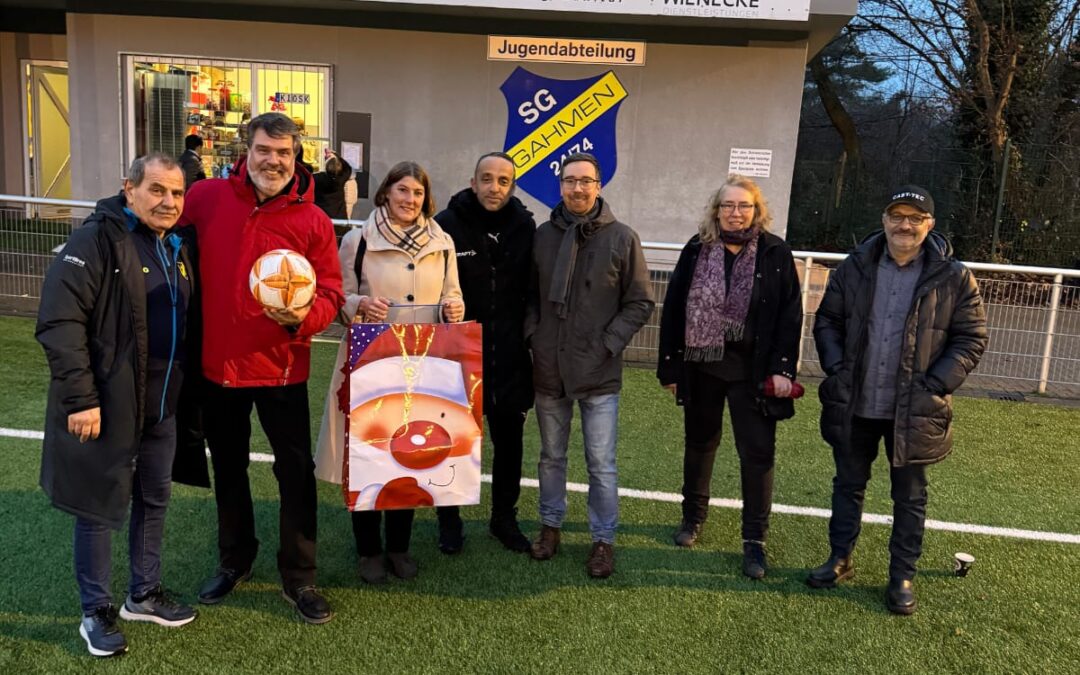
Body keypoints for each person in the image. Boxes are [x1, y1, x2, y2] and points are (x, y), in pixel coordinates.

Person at [180, 112, 344, 624]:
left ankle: (299, 577)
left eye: (284, 153)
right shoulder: (206, 197)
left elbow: (332, 293)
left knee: (295, 473)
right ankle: (235, 559)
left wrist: (303, 317)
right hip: (219, 367)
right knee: (228, 468)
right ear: (245, 152)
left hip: (282, 370)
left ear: (296, 157)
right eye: (264, 150)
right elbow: (157, 222)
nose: (273, 161)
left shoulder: (312, 219)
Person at [37, 153, 198, 657]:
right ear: (128, 188)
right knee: (101, 507)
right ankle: (96, 611)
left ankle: (144, 594)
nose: (168, 201)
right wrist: (82, 398)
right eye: (156, 190)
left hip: (161, 405)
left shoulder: (174, 243)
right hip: (109, 405)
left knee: (154, 499)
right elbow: (60, 323)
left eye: (176, 192)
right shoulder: (96, 239)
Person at [807, 185, 988, 615]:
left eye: (915, 218)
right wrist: (836, 368)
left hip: (916, 410)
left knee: (909, 496)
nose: (905, 225)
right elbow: (827, 321)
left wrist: (936, 384)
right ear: (885, 219)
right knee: (847, 486)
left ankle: (902, 575)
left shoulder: (954, 276)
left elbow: (971, 338)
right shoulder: (856, 267)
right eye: (897, 216)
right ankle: (840, 559)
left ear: (930, 224)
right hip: (856, 401)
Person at [314, 161, 464, 584]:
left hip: (423, 362)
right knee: (369, 455)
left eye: (416, 193)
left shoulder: (444, 241)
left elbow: (453, 295)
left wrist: (455, 308)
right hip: (371, 359)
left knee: (411, 455)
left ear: (425, 198)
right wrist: (357, 304)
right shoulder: (358, 239)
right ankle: (368, 551)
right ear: (385, 193)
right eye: (401, 190)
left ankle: (399, 548)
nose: (409, 200)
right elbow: (337, 295)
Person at [656, 175, 803, 579]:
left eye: (744, 206)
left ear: (757, 210)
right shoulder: (696, 248)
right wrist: (669, 366)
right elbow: (674, 308)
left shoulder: (775, 251)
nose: (735, 213)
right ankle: (692, 518)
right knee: (700, 444)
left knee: (757, 455)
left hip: (753, 374)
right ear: (715, 209)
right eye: (727, 205)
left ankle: (754, 540)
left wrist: (783, 369)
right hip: (701, 367)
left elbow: (791, 315)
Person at [525, 152, 654, 578]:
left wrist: (608, 343)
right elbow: (529, 297)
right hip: (550, 367)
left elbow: (639, 302)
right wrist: (535, 337)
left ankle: (603, 539)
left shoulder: (622, 237)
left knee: (601, 463)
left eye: (585, 181)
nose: (577, 188)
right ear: (559, 186)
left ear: (599, 186)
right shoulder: (543, 235)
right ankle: (550, 527)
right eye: (569, 181)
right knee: (551, 457)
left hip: (598, 371)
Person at [433, 152, 536, 554]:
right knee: (454, 441)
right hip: (457, 355)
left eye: (504, 181)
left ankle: (503, 519)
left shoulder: (525, 227)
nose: (495, 188)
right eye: (487, 179)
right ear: (473, 182)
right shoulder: (445, 226)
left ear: (512, 186)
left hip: (509, 356)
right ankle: (449, 519)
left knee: (510, 443)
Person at [313, 149, 353, 220]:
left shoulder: (318, 178)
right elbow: (348, 168)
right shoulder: (341, 179)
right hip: (339, 218)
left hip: (321, 218)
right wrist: (336, 155)